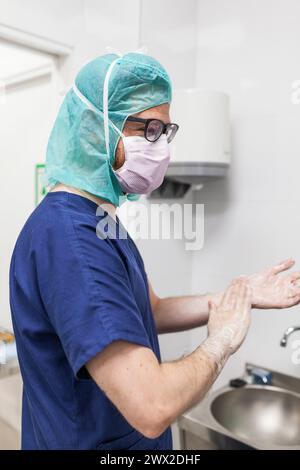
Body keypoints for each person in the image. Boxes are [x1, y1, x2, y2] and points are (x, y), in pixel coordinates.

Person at [9, 53, 300, 450]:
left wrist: (237, 295)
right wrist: (222, 340)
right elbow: (152, 404)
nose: (162, 147)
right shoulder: (71, 240)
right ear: (98, 129)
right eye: (148, 130)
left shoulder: (98, 220)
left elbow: (151, 310)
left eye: (166, 131)